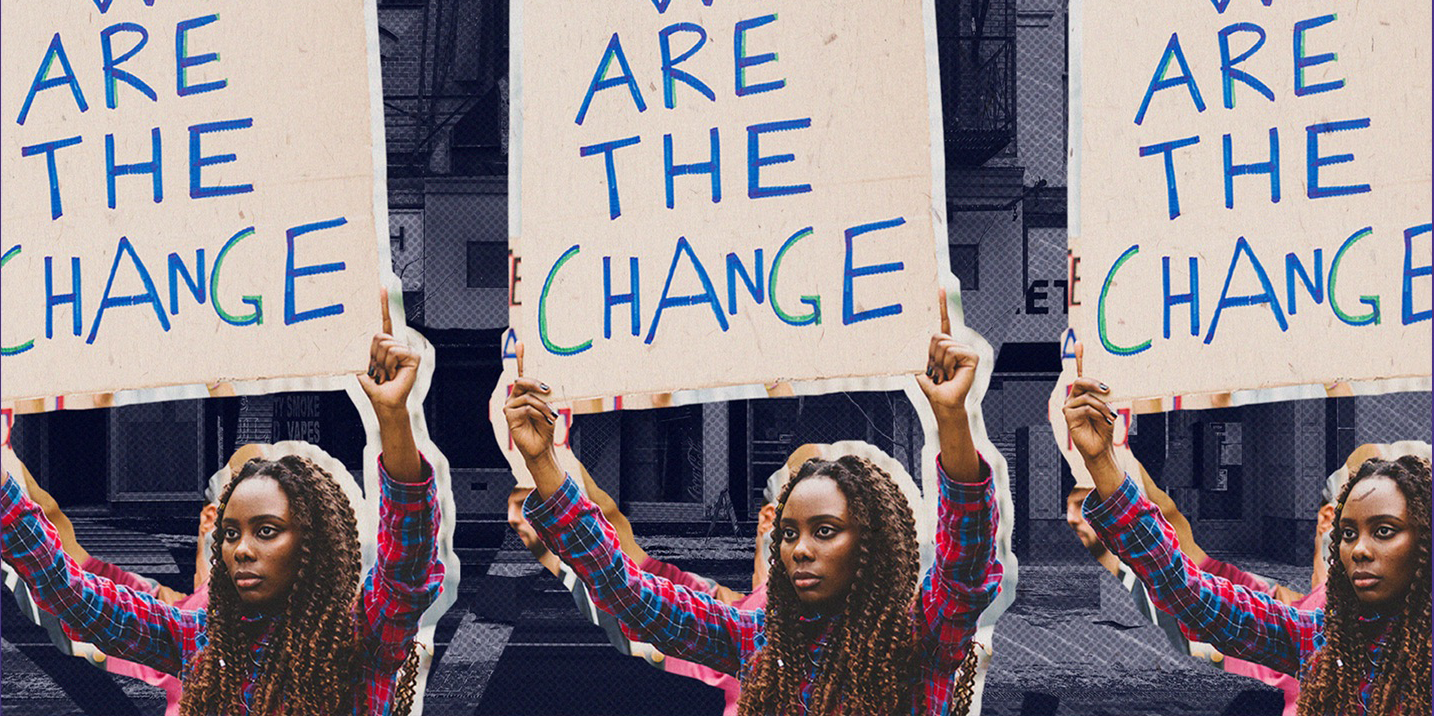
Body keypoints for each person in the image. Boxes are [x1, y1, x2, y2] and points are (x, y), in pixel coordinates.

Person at [505, 295, 1002, 714]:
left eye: (824, 530)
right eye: (789, 533)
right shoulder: (756, 637)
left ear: (872, 544)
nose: (799, 549)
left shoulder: (920, 639)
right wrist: (543, 460)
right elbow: (630, 593)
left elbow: (966, 561)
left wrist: (952, 416)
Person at [0, 296, 445, 715]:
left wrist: (392, 418)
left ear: (316, 545)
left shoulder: (362, 639)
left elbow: (406, 566)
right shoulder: (195, 638)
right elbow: (70, 591)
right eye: (230, 533)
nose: (241, 549)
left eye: (266, 530)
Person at [1064, 346, 1431, 716]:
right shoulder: (1319, 638)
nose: (1360, 550)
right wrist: (1102, 462)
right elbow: (1188, 592)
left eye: (1384, 531)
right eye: (1348, 533)